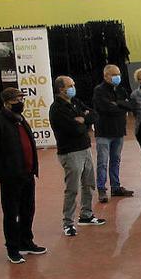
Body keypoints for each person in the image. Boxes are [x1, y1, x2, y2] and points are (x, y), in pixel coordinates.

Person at [0, 87, 47, 264]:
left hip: (28, 174)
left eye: (21, 99)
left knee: (28, 210)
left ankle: (26, 241)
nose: (20, 103)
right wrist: (1, 169)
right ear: (7, 102)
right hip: (11, 177)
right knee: (11, 213)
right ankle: (12, 248)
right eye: (17, 100)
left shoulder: (20, 119)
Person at [48, 76, 106, 237]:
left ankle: (86, 215)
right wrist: (82, 122)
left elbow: (94, 115)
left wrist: (83, 119)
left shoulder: (76, 102)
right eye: (70, 85)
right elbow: (74, 129)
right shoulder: (57, 109)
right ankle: (68, 222)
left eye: (73, 84)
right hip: (70, 152)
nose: (73, 87)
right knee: (72, 188)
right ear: (61, 89)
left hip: (85, 148)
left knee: (89, 183)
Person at [93, 64, 137, 202]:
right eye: (114, 74)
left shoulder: (121, 89)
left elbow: (130, 105)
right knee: (102, 162)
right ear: (106, 76)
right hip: (104, 132)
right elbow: (105, 108)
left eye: (118, 74)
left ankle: (116, 187)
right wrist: (121, 106)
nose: (117, 77)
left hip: (118, 131)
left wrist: (117, 104)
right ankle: (101, 189)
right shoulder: (99, 91)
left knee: (115, 160)